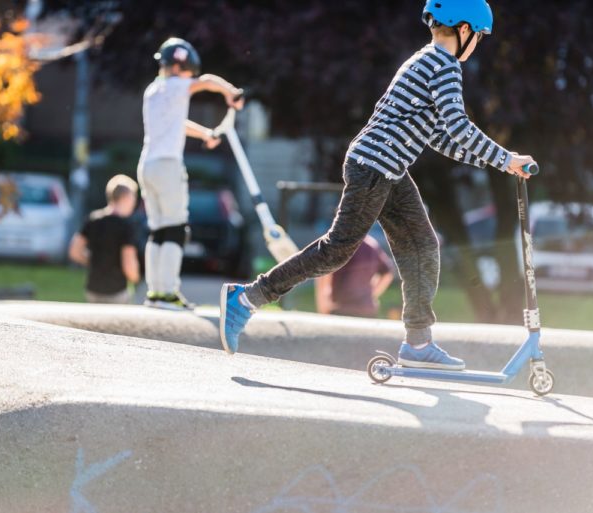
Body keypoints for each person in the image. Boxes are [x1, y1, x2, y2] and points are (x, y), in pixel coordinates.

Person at [220, 0, 536, 369]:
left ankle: (418, 343)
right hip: (374, 167)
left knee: (422, 245)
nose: (478, 44)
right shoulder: (444, 66)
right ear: (465, 30)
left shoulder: (425, 60)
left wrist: (501, 165)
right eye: (479, 37)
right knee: (336, 251)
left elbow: (443, 139)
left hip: (388, 169)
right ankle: (246, 298)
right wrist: (505, 158)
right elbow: (459, 126)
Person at [138, 37, 244, 310]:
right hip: (168, 165)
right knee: (175, 228)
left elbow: (177, 123)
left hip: (147, 165)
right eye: (188, 71)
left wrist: (206, 134)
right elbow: (207, 80)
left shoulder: (154, 90)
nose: (190, 77)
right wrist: (230, 92)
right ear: (179, 66)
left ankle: (154, 293)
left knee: (158, 229)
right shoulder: (176, 85)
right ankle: (169, 293)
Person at [69, 174, 141, 304]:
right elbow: (129, 265)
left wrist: (94, 261)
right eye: (133, 197)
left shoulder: (93, 219)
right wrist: (136, 278)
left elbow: (75, 251)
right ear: (125, 197)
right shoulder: (126, 226)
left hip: (92, 290)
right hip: (117, 291)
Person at [315, 234, 395, 318]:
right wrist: (372, 293)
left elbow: (322, 273)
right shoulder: (371, 246)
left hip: (341, 308)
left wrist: (322, 303)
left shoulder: (338, 244)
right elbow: (387, 272)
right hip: (364, 309)